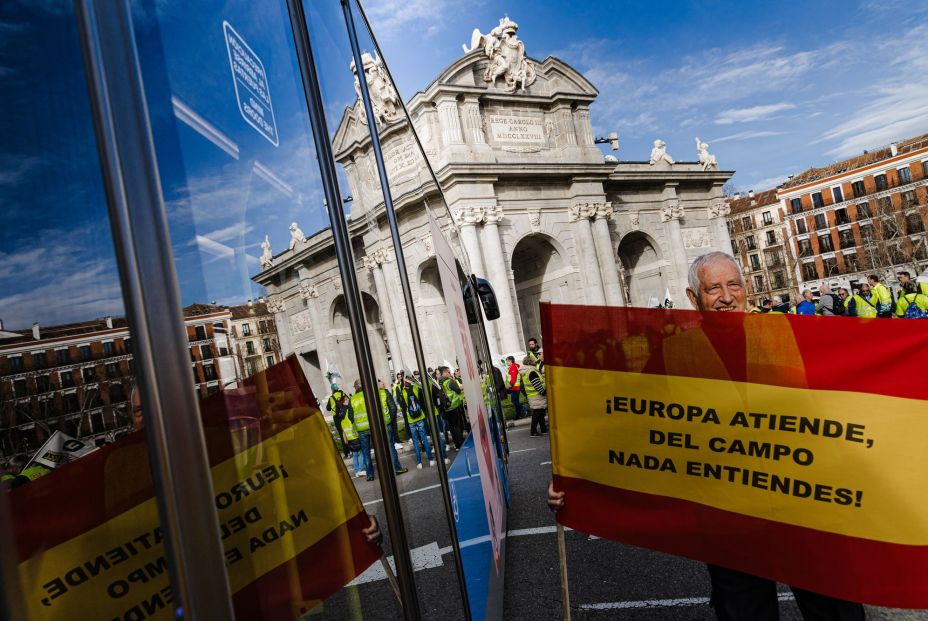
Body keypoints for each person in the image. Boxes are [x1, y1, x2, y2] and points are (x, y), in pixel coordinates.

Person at [548, 251, 865, 621]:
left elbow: (854, 400)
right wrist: (574, 477)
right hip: (730, 520)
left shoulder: (795, 336)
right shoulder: (673, 355)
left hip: (807, 512)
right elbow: (626, 426)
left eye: (734, 285)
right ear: (692, 297)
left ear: (746, 288)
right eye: (713, 288)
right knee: (745, 614)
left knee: (836, 612)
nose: (727, 296)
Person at [348, 379, 407, 481]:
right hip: (382, 424)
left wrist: (358, 422)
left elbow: (350, 416)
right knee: (390, 447)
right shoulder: (380, 393)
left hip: (362, 429)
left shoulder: (353, 399)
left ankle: (370, 475)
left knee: (366, 452)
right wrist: (389, 420)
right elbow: (393, 408)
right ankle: (396, 468)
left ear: (356, 388)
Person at [439, 366, 466, 450]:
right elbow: (458, 390)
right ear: (444, 373)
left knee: (451, 427)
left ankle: (456, 444)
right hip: (454, 406)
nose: (449, 373)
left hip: (447, 407)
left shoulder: (440, 382)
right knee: (457, 426)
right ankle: (460, 443)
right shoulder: (449, 381)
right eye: (448, 372)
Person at [519, 356, 547, 437]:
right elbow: (537, 384)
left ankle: (543, 429)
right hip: (537, 396)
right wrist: (543, 391)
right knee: (537, 413)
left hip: (532, 395)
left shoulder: (526, 372)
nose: (535, 362)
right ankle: (533, 431)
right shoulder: (532, 372)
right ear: (529, 362)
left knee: (540, 412)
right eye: (533, 361)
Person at [339, 395, 364, 478]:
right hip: (355, 434)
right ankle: (360, 470)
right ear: (343, 402)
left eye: (347, 399)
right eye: (345, 399)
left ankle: (357, 471)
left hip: (349, 437)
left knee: (355, 454)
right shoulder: (348, 410)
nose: (347, 400)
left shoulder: (340, 412)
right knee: (362, 452)